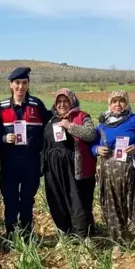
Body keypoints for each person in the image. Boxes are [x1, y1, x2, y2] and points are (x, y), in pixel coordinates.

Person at [91, 90, 135, 250]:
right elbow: (92, 145)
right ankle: (118, 242)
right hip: (110, 174)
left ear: (127, 103)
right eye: (114, 101)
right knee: (112, 206)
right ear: (109, 104)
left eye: (121, 101)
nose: (117, 104)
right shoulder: (102, 124)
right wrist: (97, 149)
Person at [0, 67, 51, 241]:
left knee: (27, 198)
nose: (21, 87)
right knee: (10, 198)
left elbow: (51, 125)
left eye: (24, 83)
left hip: (31, 161)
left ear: (28, 84)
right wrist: (4, 138)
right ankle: (10, 234)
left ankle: (27, 234)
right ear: (11, 85)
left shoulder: (36, 105)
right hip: (9, 161)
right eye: (17, 83)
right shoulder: (2, 108)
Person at [42, 88, 99, 238]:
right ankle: (64, 232)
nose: (62, 104)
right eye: (59, 101)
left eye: (65, 101)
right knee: (56, 200)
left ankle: (84, 235)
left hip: (74, 166)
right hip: (53, 168)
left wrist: (69, 126)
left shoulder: (82, 116)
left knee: (77, 201)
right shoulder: (51, 119)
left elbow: (90, 134)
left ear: (72, 101)